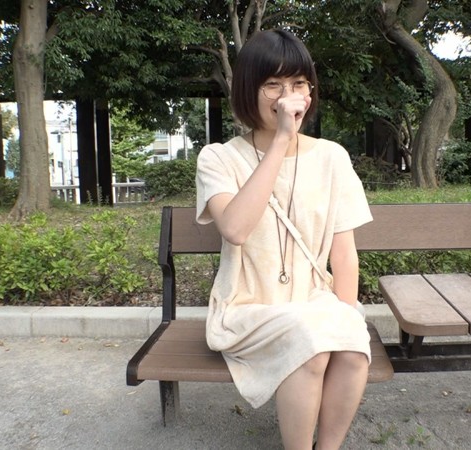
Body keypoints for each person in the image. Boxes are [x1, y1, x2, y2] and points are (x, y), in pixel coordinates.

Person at [195, 29, 373, 450]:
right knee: (311, 343)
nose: (288, 96)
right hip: (247, 310)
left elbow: (344, 255)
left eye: (298, 84)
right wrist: (280, 140)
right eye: (273, 85)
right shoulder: (218, 158)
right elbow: (235, 228)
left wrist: (345, 318)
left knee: (350, 347)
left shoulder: (332, 157)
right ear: (248, 90)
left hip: (313, 301)